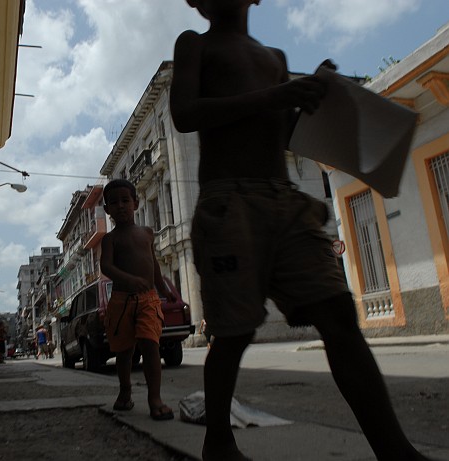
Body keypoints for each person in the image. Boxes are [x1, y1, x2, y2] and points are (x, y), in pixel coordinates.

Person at [170, 1, 432, 460]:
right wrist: (277, 97)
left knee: (337, 315)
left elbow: (285, 131)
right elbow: (185, 114)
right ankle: (219, 443)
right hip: (228, 201)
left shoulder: (276, 58)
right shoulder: (194, 44)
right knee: (234, 333)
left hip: (285, 199)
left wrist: (319, 94)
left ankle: (395, 450)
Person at [100, 179, 177, 421]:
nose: (120, 206)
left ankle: (155, 399)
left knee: (150, 345)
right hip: (121, 301)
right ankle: (125, 392)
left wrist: (163, 289)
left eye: (125, 200)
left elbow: (153, 263)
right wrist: (130, 279)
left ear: (136, 202)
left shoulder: (146, 233)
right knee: (124, 351)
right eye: (114, 203)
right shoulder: (110, 239)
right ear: (107, 210)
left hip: (148, 300)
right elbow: (106, 266)